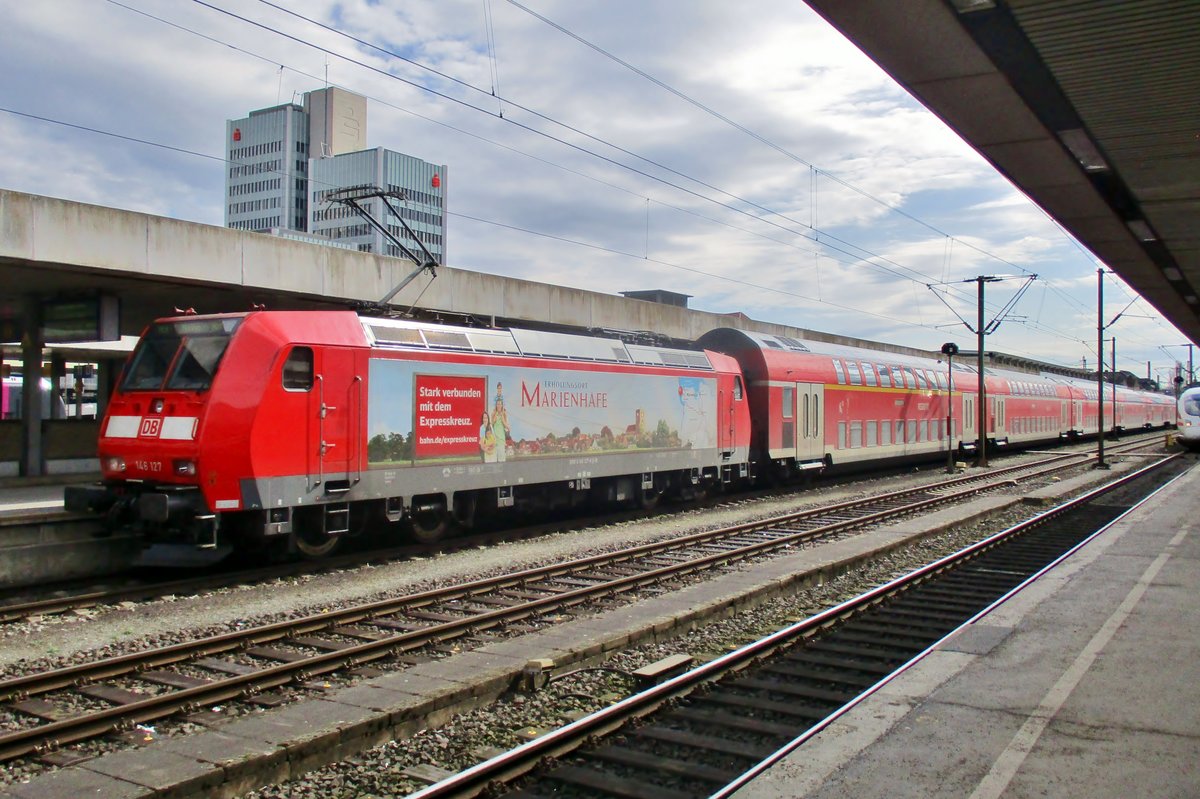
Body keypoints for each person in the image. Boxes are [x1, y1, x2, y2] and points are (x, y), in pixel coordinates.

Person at [492, 382, 510, 462]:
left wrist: (503, 419)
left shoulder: (504, 414)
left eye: (500, 388)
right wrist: (494, 417)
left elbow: (508, 427)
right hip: (494, 441)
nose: (499, 405)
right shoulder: (495, 398)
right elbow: (491, 424)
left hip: (501, 440)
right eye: (498, 388)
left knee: (502, 461)